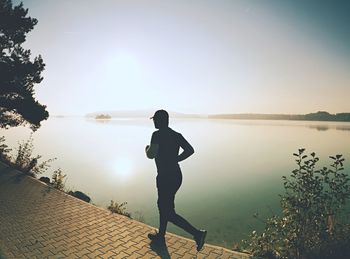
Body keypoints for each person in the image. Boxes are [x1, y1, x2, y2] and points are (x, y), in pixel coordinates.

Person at [145, 109, 207, 251]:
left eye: (155, 119)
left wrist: (146, 148)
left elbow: (151, 155)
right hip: (176, 176)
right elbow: (190, 150)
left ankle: (197, 234)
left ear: (161, 120)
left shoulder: (157, 135)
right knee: (164, 206)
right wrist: (176, 159)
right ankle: (161, 236)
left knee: (167, 212)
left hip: (165, 177)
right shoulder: (176, 135)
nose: (153, 121)